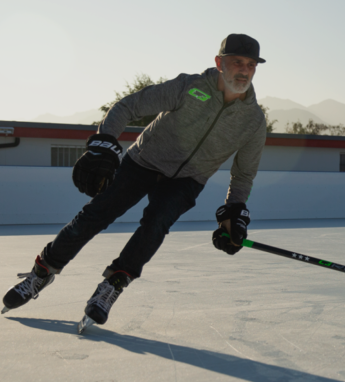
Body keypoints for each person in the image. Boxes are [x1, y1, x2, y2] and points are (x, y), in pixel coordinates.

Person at [2, 34, 268, 331]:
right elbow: (128, 106)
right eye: (236, 62)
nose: (244, 70)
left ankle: (114, 283)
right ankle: (42, 271)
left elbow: (243, 174)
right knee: (96, 214)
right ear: (219, 63)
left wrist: (234, 213)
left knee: (156, 224)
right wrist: (103, 143)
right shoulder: (188, 87)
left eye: (251, 64)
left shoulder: (254, 121)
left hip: (188, 178)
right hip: (143, 160)